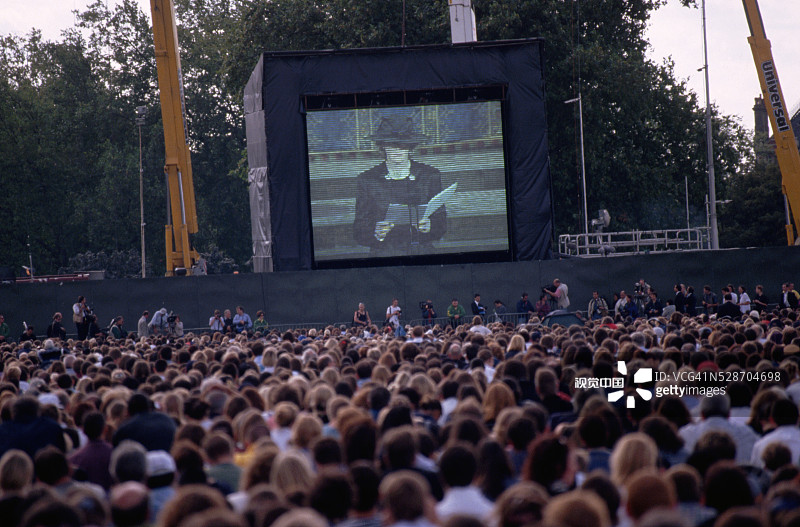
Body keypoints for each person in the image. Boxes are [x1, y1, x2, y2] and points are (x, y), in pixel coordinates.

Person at [352, 115, 446, 255]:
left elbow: (441, 223)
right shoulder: (367, 179)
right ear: (382, 146)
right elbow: (359, 230)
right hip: (385, 253)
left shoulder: (429, 175)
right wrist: (375, 232)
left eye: (402, 144)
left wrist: (430, 226)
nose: (397, 149)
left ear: (410, 146)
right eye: (391, 143)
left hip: (421, 250)